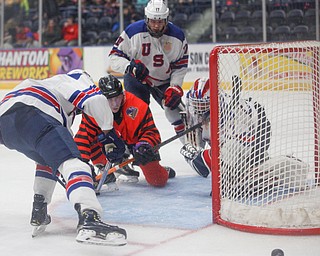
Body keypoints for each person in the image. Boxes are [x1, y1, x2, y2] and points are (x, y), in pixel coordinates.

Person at [0, 69, 127, 246]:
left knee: (48, 160)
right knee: (76, 164)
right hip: (32, 110)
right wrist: (110, 133)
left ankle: (39, 210)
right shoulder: (77, 77)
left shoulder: (54, 93)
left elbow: (56, 154)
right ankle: (89, 218)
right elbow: (95, 99)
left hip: (5, 123)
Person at [74, 74, 176, 189]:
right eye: (110, 99)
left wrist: (145, 145)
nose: (115, 104)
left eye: (117, 98)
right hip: (109, 145)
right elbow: (83, 139)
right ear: (101, 99)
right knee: (92, 140)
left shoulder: (137, 106)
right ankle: (105, 168)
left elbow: (151, 132)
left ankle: (162, 170)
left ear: (123, 94)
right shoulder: (93, 109)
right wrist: (81, 166)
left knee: (158, 180)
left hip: (135, 143)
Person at [108, 0, 189, 143]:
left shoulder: (177, 36)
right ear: (146, 19)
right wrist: (130, 67)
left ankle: (190, 146)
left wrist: (175, 87)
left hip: (164, 81)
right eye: (153, 22)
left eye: (160, 22)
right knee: (135, 115)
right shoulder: (133, 32)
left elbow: (180, 66)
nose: (156, 26)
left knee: (174, 112)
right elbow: (114, 57)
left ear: (166, 19)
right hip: (136, 80)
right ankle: (131, 148)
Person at [180, 78, 272, 183]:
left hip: (259, 129)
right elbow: (199, 151)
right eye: (197, 104)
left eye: (204, 105)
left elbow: (242, 142)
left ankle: (259, 164)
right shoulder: (199, 115)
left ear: (216, 101)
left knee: (237, 166)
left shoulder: (234, 113)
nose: (200, 109)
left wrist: (207, 158)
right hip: (238, 137)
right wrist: (198, 154)